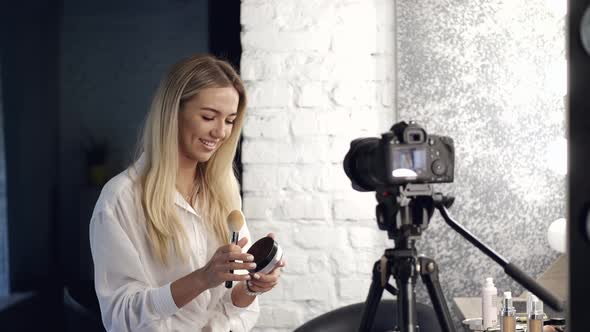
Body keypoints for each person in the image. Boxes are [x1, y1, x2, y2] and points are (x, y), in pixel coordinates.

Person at [90, 54, 285, 332]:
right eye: (208, 116)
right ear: (173, 112)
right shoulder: (121, 199)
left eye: (230, 120)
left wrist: (252, 287)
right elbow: (120, 317)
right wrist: (203, 278)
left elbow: (230, 306)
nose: (220, 132)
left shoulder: (223, 191)